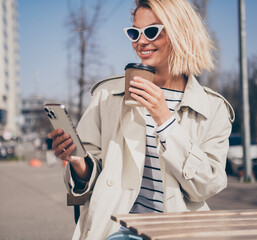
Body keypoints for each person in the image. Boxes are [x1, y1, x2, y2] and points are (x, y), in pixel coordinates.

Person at [48, 0, 235, 239]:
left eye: (151, 31)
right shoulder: (107, 95)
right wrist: (78, 162)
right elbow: (92, 177)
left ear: (179, 33)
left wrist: (165, 121)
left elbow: (207, 186)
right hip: (119, 229)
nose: (141, 41)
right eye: (135, 33)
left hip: (179, 230)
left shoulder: (213, 108)